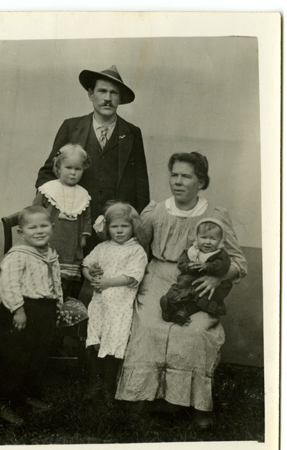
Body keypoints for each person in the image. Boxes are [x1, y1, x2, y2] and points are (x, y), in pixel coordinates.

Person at [115, 152, 248, 429]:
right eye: (174, 175)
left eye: (186, 176)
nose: (178, 181)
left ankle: (196, 404)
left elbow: (239, 262)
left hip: (197, 285)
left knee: (196, 330)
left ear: (201, 182)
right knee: (150, 326)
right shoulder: (156, 212)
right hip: (158, 278)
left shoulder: (215, 216)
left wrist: (216, 277)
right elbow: (133, 242)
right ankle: (143, 396)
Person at [35, 65, 150, 254]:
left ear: (119, 98)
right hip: (74, 226)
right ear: (90, 94)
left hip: (116, 227)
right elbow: (47, 174)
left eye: (114, 93)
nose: (107, 98)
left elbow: (141, 184)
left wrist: (135, 225)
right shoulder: (72, 127)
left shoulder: (132, 133)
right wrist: (54, 213)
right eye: (102, 91)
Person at [0, 206, 63, 426]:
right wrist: (18, 310)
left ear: (52, 227)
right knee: (15, 356)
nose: (39, 231)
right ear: (22, 232)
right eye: (32, 227)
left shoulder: (50, 253)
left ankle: (27, 393)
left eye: (44, 225)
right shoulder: (19, 255)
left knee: (37, 354)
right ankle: (1, 400)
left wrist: (57, 305)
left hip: (44, 309)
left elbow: (55, 281)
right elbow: (9, 284)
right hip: (21, 310)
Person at [82, 202, 148, 405]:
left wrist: (107, 282)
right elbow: (85, 264)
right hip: (100, 304)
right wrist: (90, 274)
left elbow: (131, 277)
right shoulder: (102, 248)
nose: (119, 231)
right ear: (107, 228)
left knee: (114, 345)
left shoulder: (136, 251)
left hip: (119, 307)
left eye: (124, 226)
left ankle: (109, 386)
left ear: (133, 227)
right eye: (114, 227)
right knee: (97, 341)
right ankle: (96, 383)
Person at [33, 143, 92, 299]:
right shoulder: (48, 189)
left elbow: (86, 217)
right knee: (45, 275)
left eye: (77, 169)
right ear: (58, 168)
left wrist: (84, 236)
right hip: (50, 240)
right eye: (68, 168)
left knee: (65, 278)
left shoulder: (83, 194)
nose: (73, 173)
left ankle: (60, 300)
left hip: (71, 243)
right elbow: (35, 212)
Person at [160, 218, 233, 325]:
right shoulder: (192, 251)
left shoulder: (220, 254)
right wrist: (189, 266)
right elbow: (181, 263)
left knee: (205, 297)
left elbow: (223, 266)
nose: (207, 242)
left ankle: (183, 312)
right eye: (203, 237)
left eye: (213, 239)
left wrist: (207, 266)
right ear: (197, 238)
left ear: (221, 240)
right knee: (183, 287)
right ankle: (171, 307)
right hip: (191, 280)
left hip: (210, 283)